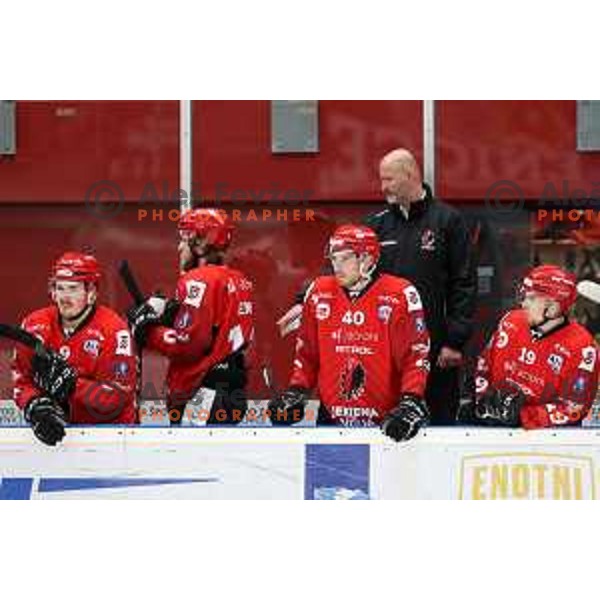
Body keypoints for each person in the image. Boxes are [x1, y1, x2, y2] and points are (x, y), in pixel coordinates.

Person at [278, 148, 476, 424]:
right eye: (381, 180)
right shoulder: (377, 223)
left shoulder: (448, 221)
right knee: (391, 423)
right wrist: (304, 300)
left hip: (435, 347)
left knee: (437, 422)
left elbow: (464, 283)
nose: (383, 187)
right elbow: (342, 265)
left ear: (410, 174)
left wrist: (455, 341)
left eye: (389, 180)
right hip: (384, 349)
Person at [269, 224, 431, 442]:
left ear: (367, 259)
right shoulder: (318, 292)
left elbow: (415, 356)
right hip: (330, 421)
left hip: (388, 422)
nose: (337, 266)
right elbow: (307, 353)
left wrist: (411, 400)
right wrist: (297, 390)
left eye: (345, 259)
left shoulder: (400, 294)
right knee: (326, 476)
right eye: (334, 259)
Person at [127, 208, 254, 426]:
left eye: (184, 240)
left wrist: (149, 331)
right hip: (232, 390)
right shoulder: (239, 279)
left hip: (203, 394)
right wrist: (171, 316)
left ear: (201, 243)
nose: (179, 247)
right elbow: (215, 331)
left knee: (191, 460)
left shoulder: (198, 280)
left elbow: (187, 344)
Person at [12, 252, 137, 446]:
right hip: (60, 435)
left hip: (112, 439)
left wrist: (71, 385)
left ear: (92, 293)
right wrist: (35, 406)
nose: (64, 297)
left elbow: (116, 397)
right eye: (60, 288)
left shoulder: (115, 331)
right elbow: (22, 380)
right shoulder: (34, 325)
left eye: (73, 289)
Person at [459, 265, 599, 428]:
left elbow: (573, 408)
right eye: (524, 296)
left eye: (531, 299)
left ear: (553, 307)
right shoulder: (511, 321)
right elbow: (483, 367)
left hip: (548, 441)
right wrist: (481, 401)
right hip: (493, 429)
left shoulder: (583, 348)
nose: (524, 304)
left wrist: (523, 416)